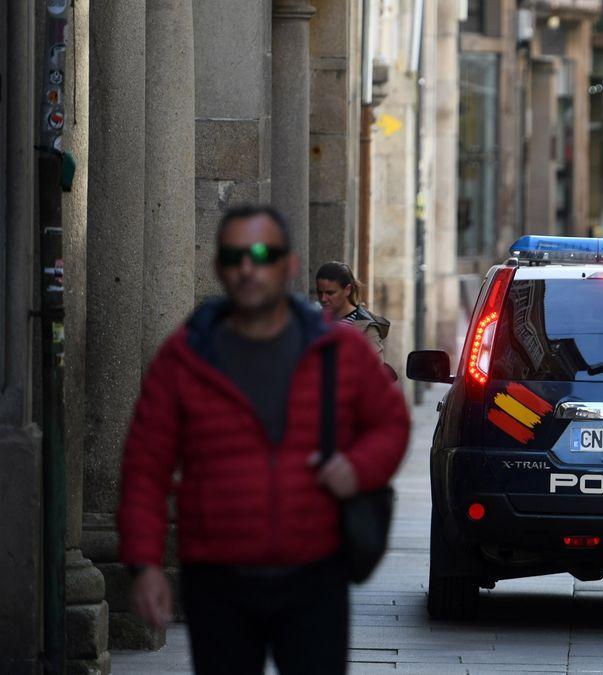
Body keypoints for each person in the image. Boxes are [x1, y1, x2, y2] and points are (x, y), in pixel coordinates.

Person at [118, 204, 411, 673]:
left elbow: (391, 424)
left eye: (263, 253)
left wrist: (358, 467)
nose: (248, 268)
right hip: (218, 576)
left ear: (288, 265)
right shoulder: (187, 357)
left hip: (314, 572)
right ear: (219, 267)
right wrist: (144, 563)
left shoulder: (337, 350)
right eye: (234, 256)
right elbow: (144, 467)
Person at [316, 261, 397, 380]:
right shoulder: (313, 319)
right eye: (319, 292)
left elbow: (373, 374)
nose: (323, 299)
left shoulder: (367, 327)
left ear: (347, 290)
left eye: (330, 293)